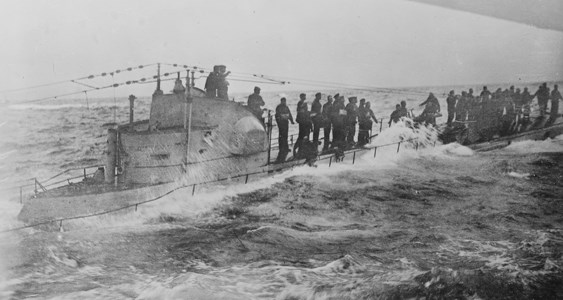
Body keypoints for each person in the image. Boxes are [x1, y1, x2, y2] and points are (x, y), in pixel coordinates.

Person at [275, 97, 294, 162]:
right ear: (281, 101)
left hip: (285, 123)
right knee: (281, 136)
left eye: (285, 101)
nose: (284, 102)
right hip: (281, 124)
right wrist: (279, 121)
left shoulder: (286, 107)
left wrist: (291, 120)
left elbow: (289, 114)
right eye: (283, 101)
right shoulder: (278, 107)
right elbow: (277, 115)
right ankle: (281, 149)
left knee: (285, 136)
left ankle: (286, 148)